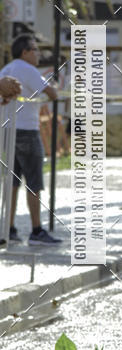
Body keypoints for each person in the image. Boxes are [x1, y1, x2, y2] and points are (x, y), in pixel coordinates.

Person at [0, 34, 62, 245]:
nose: (38, 54)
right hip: (27, 130)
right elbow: (52, 93)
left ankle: (9, 229)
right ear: (25, 52)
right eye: (34, 49)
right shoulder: (28, 69)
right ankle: (36, 231)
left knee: (12, 183)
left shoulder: (6, 70)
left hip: (8, 131)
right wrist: (55, 87)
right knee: (34, 182)